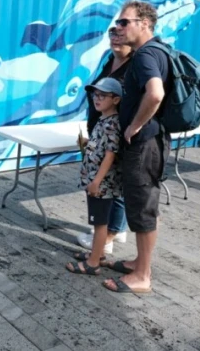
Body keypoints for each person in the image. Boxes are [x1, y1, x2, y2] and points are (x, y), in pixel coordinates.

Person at [102, 0, 170, 294]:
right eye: (117, 23)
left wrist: (134, 125)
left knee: (142, 209)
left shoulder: (145, 56)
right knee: (142, 205)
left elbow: (155, 94)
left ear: (144, 24)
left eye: (124, 22)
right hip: (151, 142)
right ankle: (139, 262)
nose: (118, 27)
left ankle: (142, 275)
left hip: (144, 144)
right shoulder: (160, 50)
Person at [76, 27, 132, 255]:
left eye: (120, 34)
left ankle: (106, 239)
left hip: (114, 135)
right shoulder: (111, 61)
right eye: (112, 34)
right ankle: (111, 231)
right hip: (100, 129)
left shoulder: (135, 65)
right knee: (111, 191)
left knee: (112, 190)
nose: (115, 38)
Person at [67, 77, 123, 276]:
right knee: (98, 221)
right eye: (95, 95)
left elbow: (111, 153)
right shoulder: (104, 119)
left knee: (99, 224)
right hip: (95, 180)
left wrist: (97, 181)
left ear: (115, 100)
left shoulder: (111, 124)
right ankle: (96, 253)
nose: (96, 99)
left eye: (102, 96)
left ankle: (93, 263)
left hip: (101, 184)